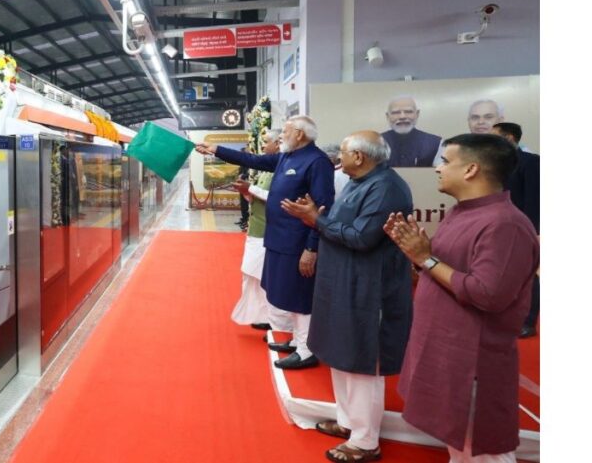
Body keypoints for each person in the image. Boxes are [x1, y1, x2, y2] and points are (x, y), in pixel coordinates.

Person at [384, 133, 539, 462]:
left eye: (445, 161)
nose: (438, 169)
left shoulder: (504, 224)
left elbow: (488, 294)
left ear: (471, 170)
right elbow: (447, 270)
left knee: (481, 451)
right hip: (446, 348)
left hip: (472, 360)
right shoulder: (465, 212)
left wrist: (426, 259)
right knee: (461, 448)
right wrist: (418, 259)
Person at [282, 131, 414, 463]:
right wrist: (317, 217)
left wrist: (316, 220)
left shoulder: (385, 187)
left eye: (342, 152)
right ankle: (349, 423)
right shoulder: (360, 181)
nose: (336, 159)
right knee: (342, 354)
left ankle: (366, 440)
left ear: (359, 156)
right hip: (344, 283)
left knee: (362, 362)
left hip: (369, 289)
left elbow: (362, 238)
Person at [196, 116, 335, 370]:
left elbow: (323, 209)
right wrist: (215, 149)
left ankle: (307, 350)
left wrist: (311, 248)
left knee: (300, 294)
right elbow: (253, 160)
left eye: (287, 130)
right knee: (286, 292)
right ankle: (297, 339)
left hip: (298, 242)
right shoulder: (286, 157)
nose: (282, 135)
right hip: (278, 238)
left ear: (301, 135)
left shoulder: (317, 162)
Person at [491, 122, 540, 338]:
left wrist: (533, 231)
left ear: (510, 138)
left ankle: (528, 321)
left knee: (528, 276)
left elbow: (534, 199)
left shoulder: (531, 162)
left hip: (523, 228)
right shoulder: (493, 164)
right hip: (496, 227)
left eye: (495, 136)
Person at [231, 130, 281, 329]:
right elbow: (257, 198)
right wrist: (246, 192)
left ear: (277, 144)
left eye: (266, 142)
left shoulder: (279, 168)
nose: (263, 146)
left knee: (260, 274)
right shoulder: (267, 169)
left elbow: (277, 198)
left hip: (267, 230)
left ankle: (273, 317)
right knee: (252, 274)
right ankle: (262, 315)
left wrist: (250, 188)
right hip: (256, 228)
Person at [381, 96, 443, 167]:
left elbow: (441, 175)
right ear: (387, 116)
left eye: (408, 112)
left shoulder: (437, 143)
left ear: (417, 114)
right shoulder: (374, 143)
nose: (402, 117)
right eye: (396, 112)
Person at [236, 146, 251, 230]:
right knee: (243, 203)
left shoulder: (250, 161)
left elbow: (250, 173)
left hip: (247, 184)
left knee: (246, 203)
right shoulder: (242, 162)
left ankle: (246, 221)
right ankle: (244, 219)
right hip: (241, 184)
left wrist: (244, 175)